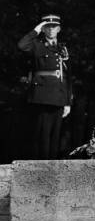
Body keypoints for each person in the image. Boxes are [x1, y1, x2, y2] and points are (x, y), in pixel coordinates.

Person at [17, 14, 72, 159]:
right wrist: (36, 30)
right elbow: (22, 45)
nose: (51, 30)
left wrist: (68, 101)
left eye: (53, 27)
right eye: (47, 27)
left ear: (59, 29)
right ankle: (41, 165)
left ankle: (52, 165)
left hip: (59, 95)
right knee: (42, 132)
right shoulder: (37, 45)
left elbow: (67, 77)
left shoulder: (62, 48)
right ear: (44, 29)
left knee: (56, 133)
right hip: (42, 95)